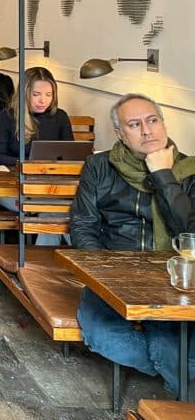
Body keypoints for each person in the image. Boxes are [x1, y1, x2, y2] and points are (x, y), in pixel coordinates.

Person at [70, 94, 195, 395]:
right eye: (135, 124)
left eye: (152, 120)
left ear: (163, 124)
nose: (147, 130)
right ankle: (184, 375)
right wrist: (105, 276)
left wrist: (163, 175)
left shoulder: (187, 172)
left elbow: (191, 233)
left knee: (168, 341)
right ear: (120, 134)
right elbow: (83, 226)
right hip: (111, 275)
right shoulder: (99, 167)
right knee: (102, 335)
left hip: (170, 280)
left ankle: (183, 392)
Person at [0, 66, 73, 167]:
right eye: (36, 94)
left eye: (48, 95)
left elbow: (70, 156)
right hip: (16, 175)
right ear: (24, 93)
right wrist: (29, 165)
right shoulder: (7, 117)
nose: (42, 100)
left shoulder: (60, 117)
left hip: (52, 174)